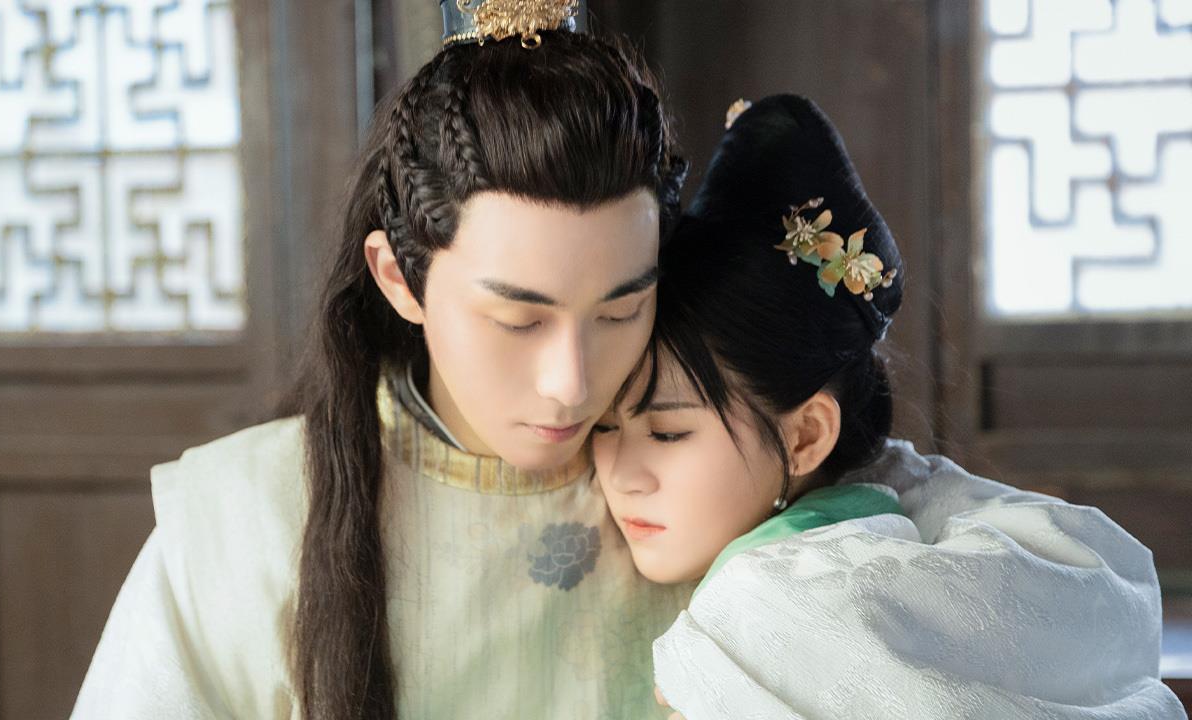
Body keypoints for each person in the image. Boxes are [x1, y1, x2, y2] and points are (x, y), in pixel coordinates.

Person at [71, 2, 697, 718]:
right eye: (518, 321)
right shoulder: (243, 522)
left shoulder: (713, 494)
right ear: (400, 278)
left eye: (619, 313)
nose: (572, 383)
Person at [593, 94, 1186, 719]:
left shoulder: (770, 606)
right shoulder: (863, 523)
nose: (621, 476)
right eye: (603, 425)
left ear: (806, 436)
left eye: (667, 432)